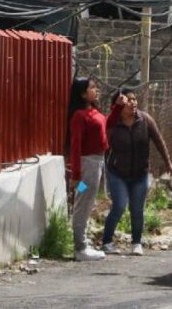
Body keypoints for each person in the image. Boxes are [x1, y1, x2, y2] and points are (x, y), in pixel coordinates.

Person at [101, 88, 172, 256]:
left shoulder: (145, 119)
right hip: (117, 173)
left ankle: (136, 242)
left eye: (135, 99)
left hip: (140, 174)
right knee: (119, 206)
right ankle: (106, 241)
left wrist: (168, 162)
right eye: (129, 100)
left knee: (137, 209)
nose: (133, 102)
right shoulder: (114, 124)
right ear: (119, 104)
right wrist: (100, 169)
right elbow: (104, 147)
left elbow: (159, 141)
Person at [67, 77, 108, 261]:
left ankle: (83, 242)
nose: (96, 89)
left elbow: (106, 126)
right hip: (87, 167)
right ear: (83, 93)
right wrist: (76, 175)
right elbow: (75, 147)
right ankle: (80, 247)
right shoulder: (80, 116)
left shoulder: (95, 112)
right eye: (92, 87)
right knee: (82, 203)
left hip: (97, 163)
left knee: (87, 202)